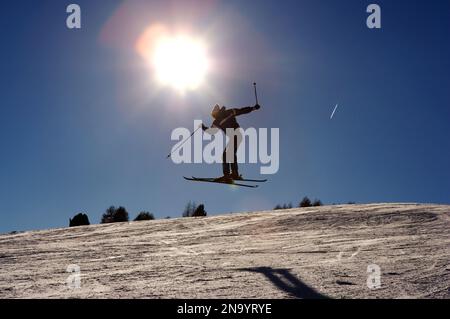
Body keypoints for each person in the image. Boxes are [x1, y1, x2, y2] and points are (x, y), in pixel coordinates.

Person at [201, 103, 261, 182]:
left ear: (214, 113)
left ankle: (228, 175)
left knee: (227, 154)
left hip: (236, 135)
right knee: (230, 154)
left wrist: (202, 127)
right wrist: (253, 108)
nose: (214, 116)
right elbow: (241, 111)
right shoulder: (228, 112)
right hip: (238, 135)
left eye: (213, 115)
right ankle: (234, 174)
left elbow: (211, 132)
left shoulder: (217, 121)